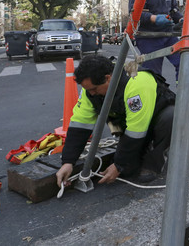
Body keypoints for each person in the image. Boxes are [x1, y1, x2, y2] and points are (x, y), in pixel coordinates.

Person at [55, 55, 175, 187]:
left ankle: (154, 163)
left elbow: (136, 130)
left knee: (171, 117)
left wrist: (119, 165)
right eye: (89, 90)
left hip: (156, 116)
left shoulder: (136, 81)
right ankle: (141, 149)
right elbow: (80, 124)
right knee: (129, 170)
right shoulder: (90, 87)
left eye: (94, 89)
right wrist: (68, 162)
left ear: (108, 78)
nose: (92, 93)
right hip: (130, 121)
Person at [128, 0, 183, 79]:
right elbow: (134, 14)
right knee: (153, 73)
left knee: (183, 62)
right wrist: (154, 18)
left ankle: (182, 94)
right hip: (148, 37)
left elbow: (174, 11)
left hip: (167, 35)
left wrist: (181, 20)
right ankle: (157, 96)